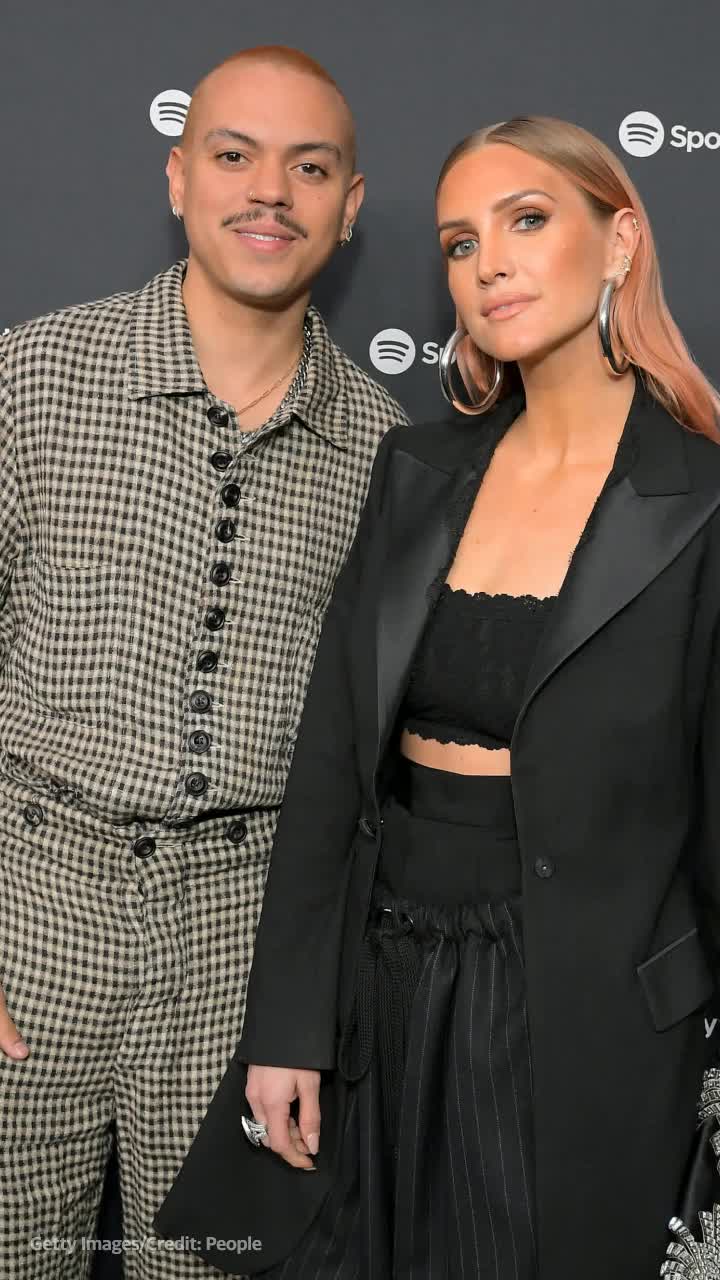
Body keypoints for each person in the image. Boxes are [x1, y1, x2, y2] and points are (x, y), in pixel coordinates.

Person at [153, 116, 720, 1280]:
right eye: (461, 243)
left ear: (620, 242)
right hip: (384, 982)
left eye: (526, 222)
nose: (489, 264)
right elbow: (330, 761)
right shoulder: (417, 470)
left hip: (580, 1007)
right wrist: (289, 1025)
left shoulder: (704, 503)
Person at [0, 44, 408, 1280]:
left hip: (242, 954)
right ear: (180, 177)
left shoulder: (386, 448)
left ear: (348, 205)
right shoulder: (33, 378)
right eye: (234, 155)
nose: (267, 191)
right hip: (30, 917)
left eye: (308, 165)